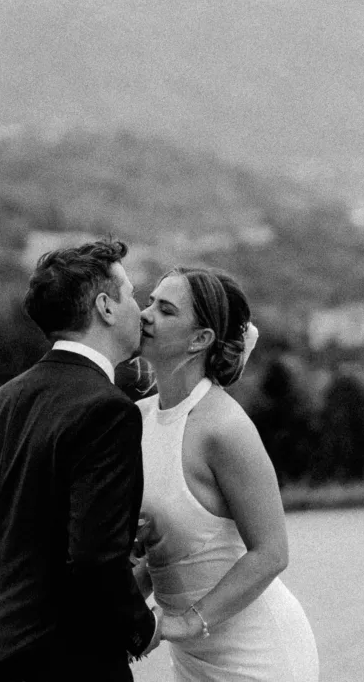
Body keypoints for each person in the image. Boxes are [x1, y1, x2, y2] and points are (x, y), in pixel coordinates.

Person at [0, 240, 161, 682]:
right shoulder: (108, 410)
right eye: (131, 294)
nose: (140, 309)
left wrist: (23, 593)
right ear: (106, 308)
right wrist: (141, 627)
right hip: (63, 664)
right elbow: (95, 557)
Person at [134, 266, 319, 681]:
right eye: (148, 302)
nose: (145, 315)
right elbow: (174, 552)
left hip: (259, 656)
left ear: (200, 340)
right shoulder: (137, 421)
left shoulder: (224, 428)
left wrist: (183, 623)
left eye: (165, 310)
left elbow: (271, 552)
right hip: (193, 661)